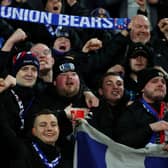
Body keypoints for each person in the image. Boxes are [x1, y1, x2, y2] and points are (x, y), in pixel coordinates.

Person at [115, 68, 168, 151]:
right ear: (142, 88)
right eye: (154, 81)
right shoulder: (130, 111)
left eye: (163, 82)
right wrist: (150, 128)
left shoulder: (166, 110)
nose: (161, 84)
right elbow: (121, 142)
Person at [0, 107, 67, 167]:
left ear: (58, 129)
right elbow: (3, 126)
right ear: (34, 131)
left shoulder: (64, 155)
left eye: (53, 124)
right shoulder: (21, 149)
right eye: (43, 125)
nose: (49, 128)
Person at [88, 72, 129, 140]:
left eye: (119, 84)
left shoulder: (130, 110)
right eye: (109, 84)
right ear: (101, 91)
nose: (115, 87)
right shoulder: (93, 111)